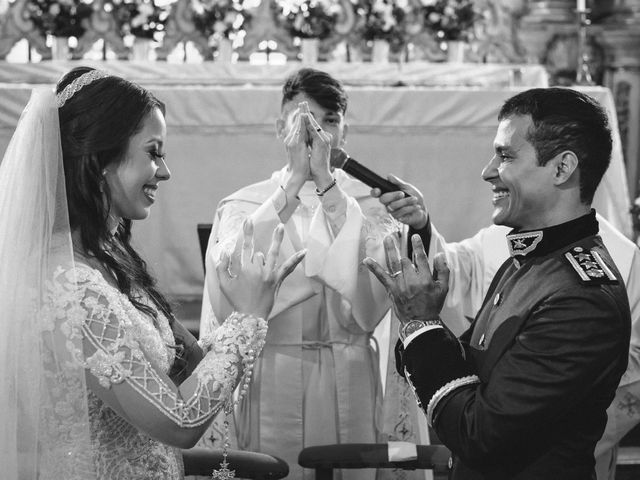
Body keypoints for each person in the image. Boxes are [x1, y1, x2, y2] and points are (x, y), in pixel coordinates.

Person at [0, 66, 304, 480]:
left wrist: (234, 316)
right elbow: (178, 420)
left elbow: (173, 375)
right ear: (101, 158)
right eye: (153, 151)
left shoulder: (105, 260)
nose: (164, 171)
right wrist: (249, 319)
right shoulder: (70, 288)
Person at [364, 87, 631, 479]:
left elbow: (481, 436)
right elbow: (472, 370)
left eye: (505, 155)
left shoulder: (581, 297)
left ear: (562, 168)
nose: (488, 170)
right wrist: (424, 321)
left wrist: (421, 324)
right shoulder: (528, 260)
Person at [199, 68, 406, 480]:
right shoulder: (244, 204)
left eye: (329, 121)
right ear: (281, 128)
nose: (318, 134)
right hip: (275, 369)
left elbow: (374, 300)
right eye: (304, 121)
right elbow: (231, 285)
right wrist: (294, 182)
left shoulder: (373, 204)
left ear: (344, 131)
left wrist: (327, 187)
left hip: (351, 369)